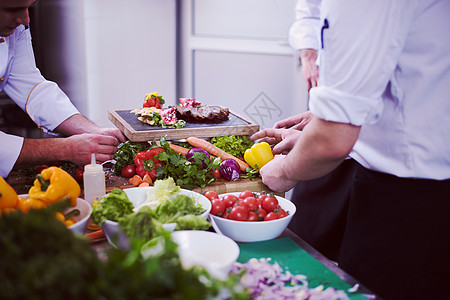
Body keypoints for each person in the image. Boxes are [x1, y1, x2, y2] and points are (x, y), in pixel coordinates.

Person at [254, 0, 450, 299]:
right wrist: (324, 118)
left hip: (413, 195)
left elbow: (331, 141)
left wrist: (284, 170)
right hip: (385, 165)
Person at [256, 0, 354, 262]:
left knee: (359, 269)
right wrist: (309, 53)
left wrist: (287, 170)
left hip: (395, 172)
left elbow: (340, 132)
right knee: (305, 241)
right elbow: (309, 11)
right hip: (335, 120)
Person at [0, 0, 125, 178]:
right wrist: (66, 149)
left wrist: (92, 131)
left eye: (28, 7)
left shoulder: (15, 27)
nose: (26, 19)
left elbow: (32, 87)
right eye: (12, 9)